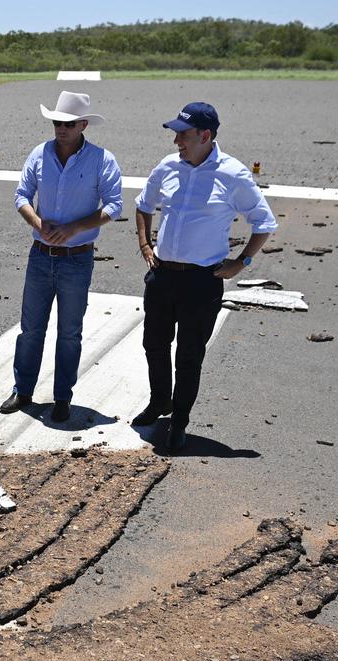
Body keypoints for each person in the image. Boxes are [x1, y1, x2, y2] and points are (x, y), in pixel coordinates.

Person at [131, 102, 278, 452]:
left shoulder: (233, 174)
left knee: (189, 355)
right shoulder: (167, 167)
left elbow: (265, 223)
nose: (176, 141)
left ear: (205, 135)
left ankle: (179, 421)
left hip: (202, 281)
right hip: (162, 275)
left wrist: (241, 263)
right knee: (154, 344)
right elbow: (143, 205)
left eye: (182, 134)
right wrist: (145, 244)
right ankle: (159, 403)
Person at [0, 91, 122, 423]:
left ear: (83, 124)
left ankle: (62, 397)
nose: (61, 128)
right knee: (30, 329)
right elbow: (21, 195)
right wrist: (39, 223)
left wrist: (75, 228)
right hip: (40, 255)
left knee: (70, 332)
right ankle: (22, 390)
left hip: (77, 259)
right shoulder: (39, 155)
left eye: (68, 123)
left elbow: (114, 205)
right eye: (57, 122)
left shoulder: (101, 159)